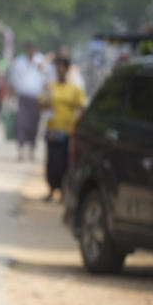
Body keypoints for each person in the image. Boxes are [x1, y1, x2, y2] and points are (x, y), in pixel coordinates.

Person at [38, 55, 86, 201]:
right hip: (52, 130)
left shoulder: (74, 89)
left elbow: (81, 108)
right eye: (57, 67)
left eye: (62, 67)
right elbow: (40, 105)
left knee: (64, 162)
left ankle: (63, 191)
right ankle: (51, 189)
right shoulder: (49, 86)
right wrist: (46, 101)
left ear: (67, 69)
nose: (59, 70)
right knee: (52, 161)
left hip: (67, 131)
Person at [8, 40, 47, 161]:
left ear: (35, 49)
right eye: (28, 48)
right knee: (21, 123)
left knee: (34, 124)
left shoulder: (41, 60)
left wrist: (42, 69)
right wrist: (12, 97)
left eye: (32, 48)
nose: (30, 50)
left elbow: (47, 77)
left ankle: (32, 150)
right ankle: (20, 149)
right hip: (23, 97)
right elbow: (13, 79)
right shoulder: (19, 61)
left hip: (37, 98)